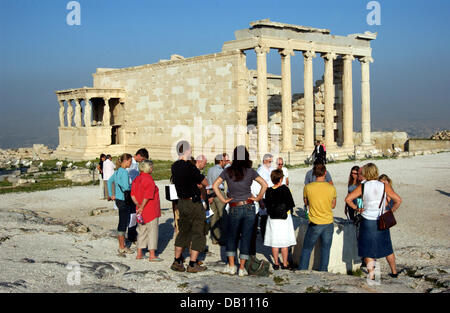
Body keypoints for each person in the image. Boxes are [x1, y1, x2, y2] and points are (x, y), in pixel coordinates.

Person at [213, 146, 268, 277]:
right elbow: (264, 184)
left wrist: (223, 200)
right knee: (246, 238)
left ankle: (232, 266)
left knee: (232, 237)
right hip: (249, 206)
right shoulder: (250, 171)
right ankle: (242, 268)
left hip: (234, 206)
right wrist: (258, 198)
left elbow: (215, 185)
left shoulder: (228, 171)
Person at [345, 163, 402, 280]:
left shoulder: (363, 186)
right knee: (387, 247)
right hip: (381, 219)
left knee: (368, 249)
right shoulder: (383, 185)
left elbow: (348, 199)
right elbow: (398, 200)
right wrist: (390, 211)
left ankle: (372, 275)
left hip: (367, 220)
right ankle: (394, 272)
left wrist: (357, 208)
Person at [170, 141, 209, 273]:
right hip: (193, 202)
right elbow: (205, 181)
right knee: (198, 232)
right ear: (186, 151)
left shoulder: (174, 166)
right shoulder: (190, 167)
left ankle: (177, 260)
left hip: (181, 202)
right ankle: (192, 263)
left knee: (183, 231)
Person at [299, 163, 337, 272]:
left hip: (315, 222)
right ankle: (323, 271)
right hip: (328, 221)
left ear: (314, 173)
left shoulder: (308, 187)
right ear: (325, 173)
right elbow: (333, 205)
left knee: (307, 248)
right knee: (325, 249)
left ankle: (302, 270)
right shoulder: (331, 188)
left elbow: (306, 202)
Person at [264, 169, 296, 270]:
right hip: (284, 218)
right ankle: (285, 263)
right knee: (284, 242)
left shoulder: (268, 190)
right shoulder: (285, 189)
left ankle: (276, 263)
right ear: (281, 178)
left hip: (273, 218)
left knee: (274, 241)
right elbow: (290, 204)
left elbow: (267, 205)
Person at [131, 160, 162, 261]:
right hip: (150, 209)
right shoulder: (149, 179)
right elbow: (148, 195)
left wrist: (137, 205)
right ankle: (152, 255)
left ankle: (139, 253)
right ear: (148, 168)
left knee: (141, 231)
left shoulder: (137, 179)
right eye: (151, 167)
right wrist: (142, 206)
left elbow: (132, 195)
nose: (152, 169)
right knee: (152, 231)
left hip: (140, 210)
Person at [107, 153, 133, 254]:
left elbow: (109, 181)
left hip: (118, 199)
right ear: (125, 161)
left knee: (122, 221)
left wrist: (111, 194)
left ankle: (122, 245)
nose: (131, 163)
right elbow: (126, 187)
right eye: (130, 161)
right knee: (123, 222)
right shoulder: (125, 173)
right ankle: (122, 246)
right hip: (124, 199)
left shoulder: (117, 171)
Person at [127, 148, 149, 243]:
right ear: (139, 155)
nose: (142, 161)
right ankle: (131, 235)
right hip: (130, 191)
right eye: (142, 159)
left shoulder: (136, 164)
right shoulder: (130, 163)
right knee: (132, 214)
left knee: (135, 213)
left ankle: (132, 234)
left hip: (136, 191)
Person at [250, 153, 273, 247]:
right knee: (263, 218)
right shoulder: (260, 171)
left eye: (271, 161)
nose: (271, 163)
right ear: (265, 161)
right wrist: (260, 200)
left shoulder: (271, 169)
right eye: (269, 161)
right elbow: (257, 187)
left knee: (269, 217)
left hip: (270, 195)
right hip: (263, 196)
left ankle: (269, 236)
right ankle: (264, 237)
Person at [206, 153, 227, 245]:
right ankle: (223, 238)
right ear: (220, 161)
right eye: (224, 160)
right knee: (222, 216)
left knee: (213, 216)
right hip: (218, 192)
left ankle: (215, 238)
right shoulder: (220, 170)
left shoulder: (209, 169)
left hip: (210, 193)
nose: (225, 162)